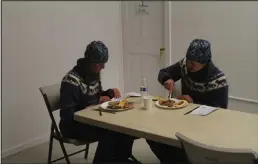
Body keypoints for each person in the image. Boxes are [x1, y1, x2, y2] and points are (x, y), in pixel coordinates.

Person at [147, 39, 229, 164]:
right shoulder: (184, 66)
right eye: (188, 59)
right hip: (182, 119)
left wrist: (194, 102)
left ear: (204, 63)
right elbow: (163, 72)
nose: (189, 64)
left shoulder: (218, 80)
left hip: (205, 126)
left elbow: (220, 111)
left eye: (193, 63)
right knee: (152, 135)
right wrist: (167, 79)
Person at [59, 41, 135, 163]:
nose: (103, 67)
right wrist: (95, 101)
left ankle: (121, 159)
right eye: (100, 64)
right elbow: (67, 114)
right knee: (110, 131)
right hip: (73, 126)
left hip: (91, 119)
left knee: (124, 126)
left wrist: (109, 93)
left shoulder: (93, 74)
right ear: (90, 62)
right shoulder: (71, 80)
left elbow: (95, 96)